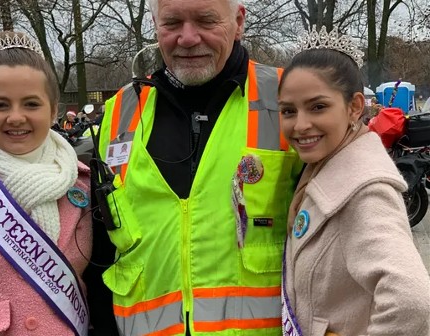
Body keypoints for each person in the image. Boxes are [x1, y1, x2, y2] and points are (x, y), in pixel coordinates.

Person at [84, 0, 303, 335]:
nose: (187, 38)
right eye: (172, 23)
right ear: (155, 25)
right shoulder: (118, 114)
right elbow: (101, 251)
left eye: (205, 20)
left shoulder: (290, 99)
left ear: (239, 21)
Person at [278, 26, 430, 336]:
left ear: (355, 107)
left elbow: (412, 304)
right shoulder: (323, 163)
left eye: (318, 107)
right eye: (288, 111)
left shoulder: (366, 190)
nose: (300, 125)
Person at [0, 31, 92, 335]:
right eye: (0, 105)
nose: (16, 117)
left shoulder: (83, 183)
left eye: (31, 104)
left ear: (53, 110)